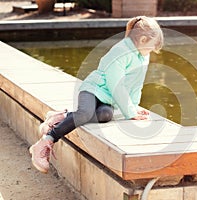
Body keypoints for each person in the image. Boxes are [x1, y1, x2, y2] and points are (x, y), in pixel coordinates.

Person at [29, 16, 164, 173]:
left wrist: (133, 107)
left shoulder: (143, 55)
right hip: (93, 90)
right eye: (151, 47)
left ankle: (63, 116)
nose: (151, 52)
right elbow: (116, 86)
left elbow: (136, 84)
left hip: (106, 98)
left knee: (105, 114)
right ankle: (46, 141)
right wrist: (130, 112)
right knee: (85, 113)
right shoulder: (121, 52)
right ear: (142, 39)